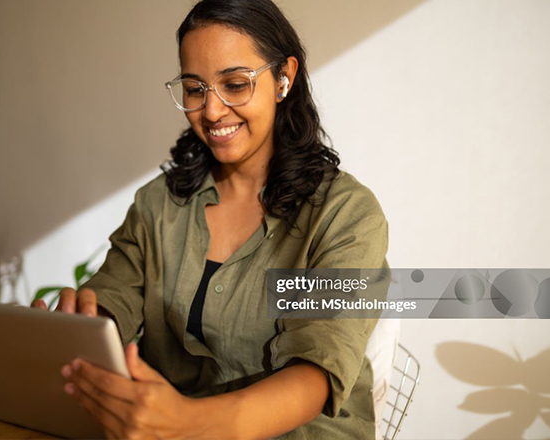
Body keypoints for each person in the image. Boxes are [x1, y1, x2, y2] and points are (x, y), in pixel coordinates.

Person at [32, 0, 389, 438]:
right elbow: (113, 297)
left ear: (284, 78)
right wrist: (84, 324)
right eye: (195, 89)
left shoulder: (344, 214)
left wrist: (190, 423)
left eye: (235, 84)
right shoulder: (157, 205)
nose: (213, 111)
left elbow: (316, 372)